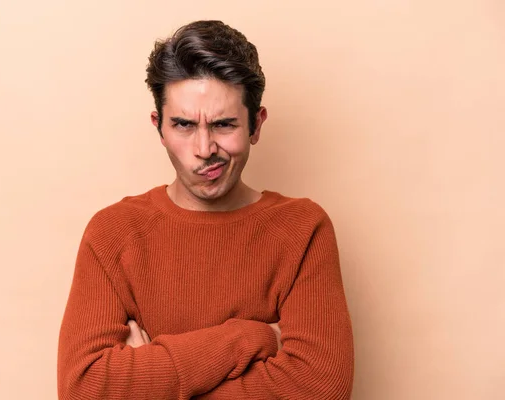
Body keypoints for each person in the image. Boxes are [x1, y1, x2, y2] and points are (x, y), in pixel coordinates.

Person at [57, 20, 354, 399]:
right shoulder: (113, 233)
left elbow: (321, 388)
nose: (204, 148)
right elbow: (84, 389)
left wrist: (148, 381)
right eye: (183, 125)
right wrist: (252, 336)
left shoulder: (302, 229)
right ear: (159, 128)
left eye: (223, 124)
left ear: (255, 126)